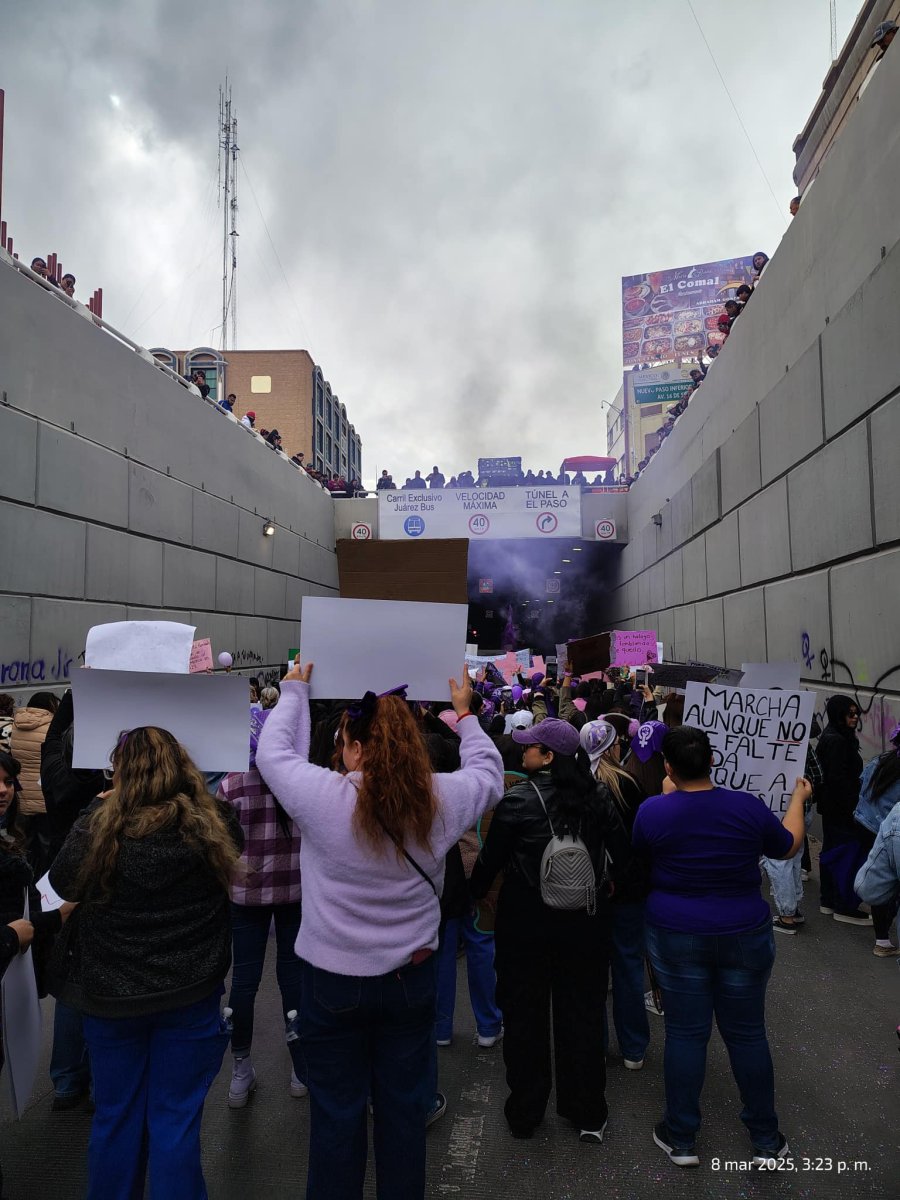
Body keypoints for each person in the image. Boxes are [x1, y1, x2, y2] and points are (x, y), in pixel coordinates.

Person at [255, 662, 503, 1199]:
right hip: (410, 981)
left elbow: (273, 756)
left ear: (355, 749)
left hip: (331, 982)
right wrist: (465, 715)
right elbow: (489, 774)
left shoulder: (324, 798)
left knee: (335, 1119)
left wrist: (294, 691)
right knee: (403, 1116)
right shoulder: (438, 800)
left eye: (345, 742)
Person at [47, 726, 243, 1200]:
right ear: (180, 767)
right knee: (176, 1122)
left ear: (119, 772)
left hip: (110, 1000)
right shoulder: (213, 823)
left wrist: (95, 807)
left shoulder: (98, 826)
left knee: (116, 1118)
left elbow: (63, 883)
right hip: (191, 994)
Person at [633, 726, 808, 1168]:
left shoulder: (652, 811)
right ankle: (765, 1139)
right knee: (747, 1034)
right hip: (743, 931)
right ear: (713, 761)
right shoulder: (746, 806)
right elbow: (787, 846)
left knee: (686, 1033)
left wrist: (670, 800)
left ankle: (682, 1136)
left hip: (676, 932)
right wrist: (798, 799)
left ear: (668, 767)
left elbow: (641, 860)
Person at [469, 717, 630, 1144]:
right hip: (586, 924)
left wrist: (477, 895)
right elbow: (624, 856)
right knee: (583, 1015)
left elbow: (489, 861)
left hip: (525, 924)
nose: (523, 751)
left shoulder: (517, 800)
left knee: (525, 1017)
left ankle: (525, 1112)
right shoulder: (598, 796)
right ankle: (588, 1112)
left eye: (530, 746)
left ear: (547, 757)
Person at [217, 709, 306, 1106]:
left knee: (244, 982)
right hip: (295, 892)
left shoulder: (231, 784)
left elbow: (220, 846)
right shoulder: (298, 779)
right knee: (294, 978)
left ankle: (240, 1071)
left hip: (246, 896)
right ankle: (301, 1068)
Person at [580, 720, 649, 1071]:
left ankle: (596, 1045)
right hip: (627, 890)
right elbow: (640, 840)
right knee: (628, 967)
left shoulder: (577, 784)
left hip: (588, 892)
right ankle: (634, 1048)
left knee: (593, 972)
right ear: (612, 747)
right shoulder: (628, 784)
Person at [815, 695, 871, 924]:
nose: (855, 717)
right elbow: (838, 780)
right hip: (842, 810)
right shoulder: (838, 741)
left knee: (833, 851)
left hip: (833, 808)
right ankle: (844, 905)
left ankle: (829, 900)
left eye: (856, 713)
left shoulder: (832, 736)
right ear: (839, 715)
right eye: (850, 713)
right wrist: (853, 809)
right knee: (847, 854)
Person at [853, 721, 900, 955]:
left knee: (879, 878)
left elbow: (862, 785)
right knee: (893, 883)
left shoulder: (881, 761)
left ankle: (882, 938)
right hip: (888, 832)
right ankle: (883, 939)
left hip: (866, 824)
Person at [10, 691, 59, 879]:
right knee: (46, 844)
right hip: (43, 795)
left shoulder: (16, 726)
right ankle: (44, 883)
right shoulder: (52, 727)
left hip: (22, 794)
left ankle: (24, 880)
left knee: (24, 841)